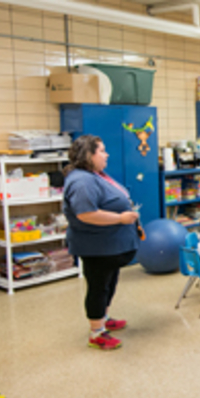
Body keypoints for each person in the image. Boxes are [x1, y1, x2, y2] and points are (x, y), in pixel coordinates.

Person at [62, 135, 142, 350]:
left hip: (111, 245)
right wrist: (120, 218)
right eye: (102, 151)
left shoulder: (94, 175)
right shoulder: (81, 181)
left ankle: (104, 319)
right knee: (98, 286)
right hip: (96, 246)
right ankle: (96, 333)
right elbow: (86, 214)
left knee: (109, 282)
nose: (106, 154)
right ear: (89, 155)